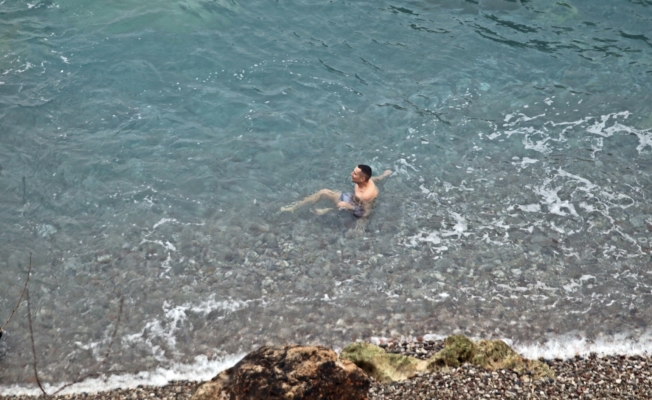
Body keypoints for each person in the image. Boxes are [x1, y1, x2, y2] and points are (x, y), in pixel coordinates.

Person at [280, 165, 392, 218]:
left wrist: (348, 208)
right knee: (324, 191)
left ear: (362, 179)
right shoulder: (368, 180)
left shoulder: (367, 195)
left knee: (341, 204)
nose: (351, 174)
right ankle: (294, 207)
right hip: (351, 198)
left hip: (358, 208)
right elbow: (376, 179)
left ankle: (326, 210)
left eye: (354, 174)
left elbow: (366, 212)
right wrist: (384, 175)